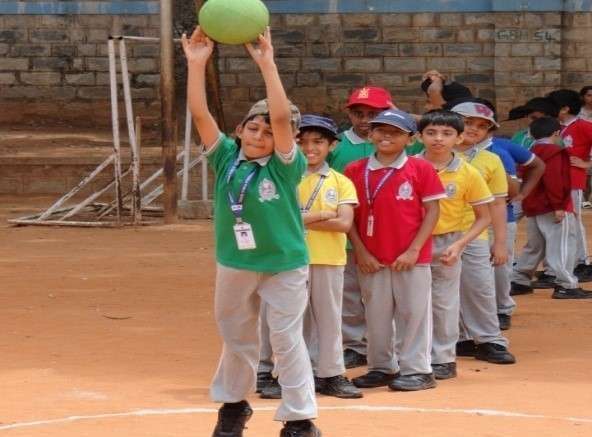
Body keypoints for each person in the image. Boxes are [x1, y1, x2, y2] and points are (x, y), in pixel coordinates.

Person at [182, 27, 321, 437]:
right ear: (240, 129)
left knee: (286, 340)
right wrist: (196, 65)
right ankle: (233, 405)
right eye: (252, 128)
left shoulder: (286, 166)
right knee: (236, 337)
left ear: (287, 139)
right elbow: (200, 115)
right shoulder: (226, 157)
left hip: (284, 264)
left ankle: (299, 419)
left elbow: (280, 117)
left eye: (270, 132)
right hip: (236, 262)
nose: (260, 136)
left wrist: (267, 65)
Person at [259, 115, 362, 401]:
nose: (309, 148)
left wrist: (297, 219)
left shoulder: (340, 182)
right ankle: (288, 375)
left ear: (332, 145)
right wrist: (320, 215)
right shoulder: (280, 177)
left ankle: (331, 374)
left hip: (328, 258)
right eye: (301, 141)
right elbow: (273, 219)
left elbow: (344, 223)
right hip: (288, 259)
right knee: (289, 320)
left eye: (318, 142)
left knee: (329, 319)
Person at [345, 109, 447, 392]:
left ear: (410, 139)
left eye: (396, 132)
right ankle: (381, 366)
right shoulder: (355, 170)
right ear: (370, 134)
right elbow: (349, 216)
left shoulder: (420, 168)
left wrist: (414, 250)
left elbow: (432, 211)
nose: (386, 136)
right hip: (372, 257)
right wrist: (361, 251)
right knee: (375, 314)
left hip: (411, 257)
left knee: (414, 314)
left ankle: (418, 369)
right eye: (380, 130)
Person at [417, 110, 493, 379]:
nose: (438, 139)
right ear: (420, 136)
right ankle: (412, 356)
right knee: (410, 303)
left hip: (448, 242)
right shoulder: (408, 167)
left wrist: (460, 244)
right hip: (411, 242)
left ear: (459, 138)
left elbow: (484, 217)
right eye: (431, 133)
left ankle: (443, 358)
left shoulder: (468, 173)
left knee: (444, 302)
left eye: (447, 133)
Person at [327, 86, 394, 369]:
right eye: (358, 113)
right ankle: (354, 344)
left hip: (387, 232)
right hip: (345, 232)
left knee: (385, 294)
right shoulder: (337, 145)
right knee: (350, 293)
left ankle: (387, 346)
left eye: (373, 114)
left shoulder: (398, 141)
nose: (365, 120)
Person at [450, 102, 516, 364]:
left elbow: (498, 204)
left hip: (475, 233)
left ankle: (490, 339)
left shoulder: (490, 160)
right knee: (443, 290)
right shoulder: (427, 155)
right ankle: (460, 337)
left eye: (482, 126)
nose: (474, 129)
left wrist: (500, 242)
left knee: (479, 287)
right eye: (467, 122)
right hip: (437, 233)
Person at [511, 117, 592, 299]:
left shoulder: (530, 151)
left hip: (533, 205)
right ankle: (566, 285)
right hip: (552, 206)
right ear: (556, 133)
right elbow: (555, 181)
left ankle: (519, 280)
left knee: (534, 246)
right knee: (562, 245)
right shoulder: (556, 152)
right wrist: (560, 205)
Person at [548, 89, 592, 282]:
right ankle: (567, 262)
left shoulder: (583, 126)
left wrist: (587, 164)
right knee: (563, 221)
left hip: (573, 179)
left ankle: (582, 261)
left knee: (573, 219)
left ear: (565, 109)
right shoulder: (556, 126)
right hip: (556, 178)